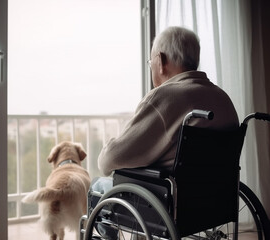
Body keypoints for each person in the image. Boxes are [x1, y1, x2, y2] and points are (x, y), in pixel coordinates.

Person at [97, 26, 239, 176]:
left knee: (98, 187)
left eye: (150, 62)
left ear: (160, 60)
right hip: (217, 196)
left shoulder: (165, 97)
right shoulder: (223, 99)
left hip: (171, 195)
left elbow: (109, 160)